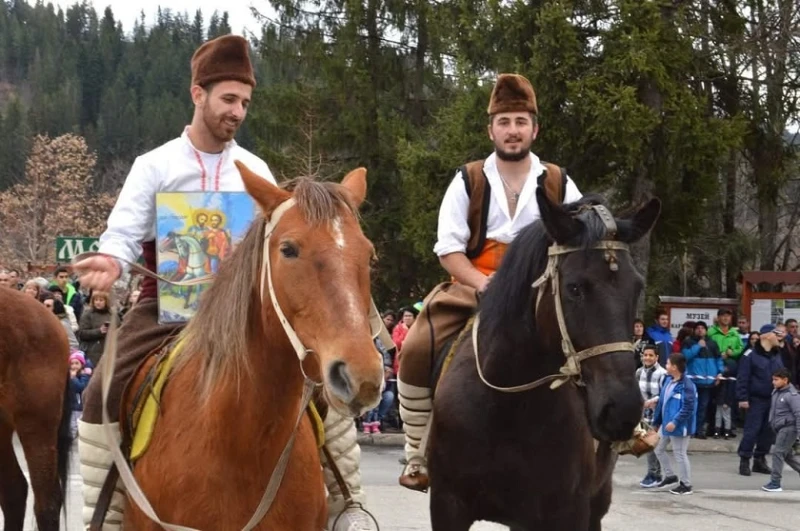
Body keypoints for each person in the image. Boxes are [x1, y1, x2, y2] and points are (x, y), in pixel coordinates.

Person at [71, 34, 377, 531]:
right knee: (101, 389)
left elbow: (283, 241)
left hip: (245, 316)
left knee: (321, 382)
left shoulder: (255, 168)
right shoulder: (154, 165)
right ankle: (103, 515)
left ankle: (349, 505)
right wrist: (110, 262)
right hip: (166, 311)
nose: (237, 112)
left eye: (245, 103)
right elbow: (122, 234)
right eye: (228, 99)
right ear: (199, 94)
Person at [397, 73, 583, 491]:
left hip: (542, 288)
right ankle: (416, 452)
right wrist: (485, 284)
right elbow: (448, 249)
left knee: (594, 334)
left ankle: (620, 428)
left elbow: (580, 242)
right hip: (474, 285)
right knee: (417, 345)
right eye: (504, 122)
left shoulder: (558, 180)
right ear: (491, 129)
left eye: (520, 121)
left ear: (534, 128)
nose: (513, 130)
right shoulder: (468, 179)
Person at [736, 323, 785, 476]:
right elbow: (742, 378)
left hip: (774, 399)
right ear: (766, 335)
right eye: (776, 333)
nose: (779, 336)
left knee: (768, 432)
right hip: (756, 399)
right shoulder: (750, 355)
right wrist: (742, 398)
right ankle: (745, 460)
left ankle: (760, 460)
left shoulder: (776, 354)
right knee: (752, 431)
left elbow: (783, 376)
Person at [652, 352, 698, 495]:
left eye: (667, 363)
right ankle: (670, 476)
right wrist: (657, 420)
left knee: (680, 454)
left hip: (680, 427)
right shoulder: (668, 380)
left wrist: (675, 421)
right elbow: (663, 401)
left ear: (674, 367)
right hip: (666, 424)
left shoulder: (687, 386)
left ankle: (686, 484)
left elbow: (688, 408)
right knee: (658, 448)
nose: (666, 366)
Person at [761, 367, 800, 492]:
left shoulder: (792, 395)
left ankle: (775, 483)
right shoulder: (776, 392)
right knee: (788, 456)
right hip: (779, 428)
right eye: (773, 379)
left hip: (788, 428)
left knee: (778, 453)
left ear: (785, 380)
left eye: (776, 380)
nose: (773, 382)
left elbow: (798, 414)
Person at [637, 344, 668, 488]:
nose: (647, 358)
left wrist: (651, 402)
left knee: (654, 445)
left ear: (657, 357)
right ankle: (654, 473)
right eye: (645, 355)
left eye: (651, 355)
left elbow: (664, 394)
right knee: (648, 445)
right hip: (644, 415)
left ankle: (655, 474)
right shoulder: (638, 372)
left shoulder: (662, 374)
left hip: (657, 415)